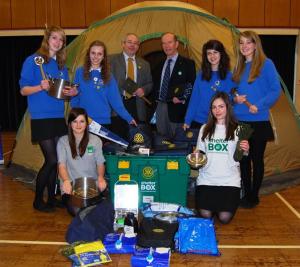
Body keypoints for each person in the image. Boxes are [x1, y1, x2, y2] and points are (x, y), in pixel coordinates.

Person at [19, 25, 77, 212]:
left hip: (57, 117)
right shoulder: (33, 61)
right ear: (47, 39)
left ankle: (52, 199)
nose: (58, 42)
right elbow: (23, 90)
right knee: (51, 160)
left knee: (58, 159)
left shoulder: (60, 66)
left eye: (61, 40)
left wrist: (71, 92)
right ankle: (37, 200)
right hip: (41, 117)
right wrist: (40, 87)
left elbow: (62, 93)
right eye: (55, 38)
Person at [232, 30, 281, 208]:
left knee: (256, 159)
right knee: (243, 159)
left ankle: (254, 196)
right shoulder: (237, 67)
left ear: (255, 44)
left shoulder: (266, 64)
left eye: (248, 42)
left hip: (258, 120)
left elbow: (275, 90)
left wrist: (258, 105)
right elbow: (231, 92)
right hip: (240, 121)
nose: (244, 46)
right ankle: (246, 194)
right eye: (241, 43)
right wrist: (235, 98)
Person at [195, 92, 249, 224]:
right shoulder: (204, 129)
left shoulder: (238, 129)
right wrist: (196, 155)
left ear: (228, 107)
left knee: (224, 218)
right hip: (207, 179)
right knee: (205, 215)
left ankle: (217, 207)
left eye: (221, 106)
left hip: (229, 181)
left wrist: (246, 149)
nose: (217, 110)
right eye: (214, 107)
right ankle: (212, 207)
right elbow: (199, 153)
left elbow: (242, 156)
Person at [71, 40, 136, 132]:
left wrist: (129, 118)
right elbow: (74, 97)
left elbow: (116, 102)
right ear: (88, 54)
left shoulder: (109, 76)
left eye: (99, 54)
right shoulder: (79, 72)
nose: (95, 57)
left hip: (103, 122)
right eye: (93, 53)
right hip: (83, 121)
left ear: (103, 57)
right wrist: (76, 115)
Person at [57, 108, 107, 214]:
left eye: (82, 121)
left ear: (86, 123)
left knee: (103, 209)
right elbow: (61, 166)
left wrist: (101, 178)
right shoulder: (63, 141)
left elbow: (100, 163)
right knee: (78, 211)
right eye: (74, 121)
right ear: (69, 124)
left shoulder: (96, 141)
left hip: (92, 187)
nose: (78, 125)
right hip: (71, 188)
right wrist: (66, 181)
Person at [184, 40, 236, 130]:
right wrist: (187, 120)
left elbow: (231, 101)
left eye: (215, 52)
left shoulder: (229, 76)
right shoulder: (200, 75)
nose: (212, 56)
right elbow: (194, 99)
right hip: (199, 121)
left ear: (221, 54)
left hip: (220, 122)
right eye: (209, 53)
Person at [152, 32, 196, 138]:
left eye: (169, 42)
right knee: (161, 141)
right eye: (163, 43)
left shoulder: (188, 64)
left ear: (176, 44)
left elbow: (191, 86)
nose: (167, 46)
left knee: (178, 142)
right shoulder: (158, 64)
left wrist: (183, 99)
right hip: (160, 108)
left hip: (178, 110)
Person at [109, 33, 153, 138]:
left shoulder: (145, 64)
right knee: (118, 138)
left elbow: (150, 83)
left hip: (136, 106)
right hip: (117, 105)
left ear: (138, 47)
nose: (132, 45)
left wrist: (144, 90)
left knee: (136, 140)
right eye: (129, 42)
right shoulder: (110, 60)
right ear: (123, 44)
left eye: (136, 43)